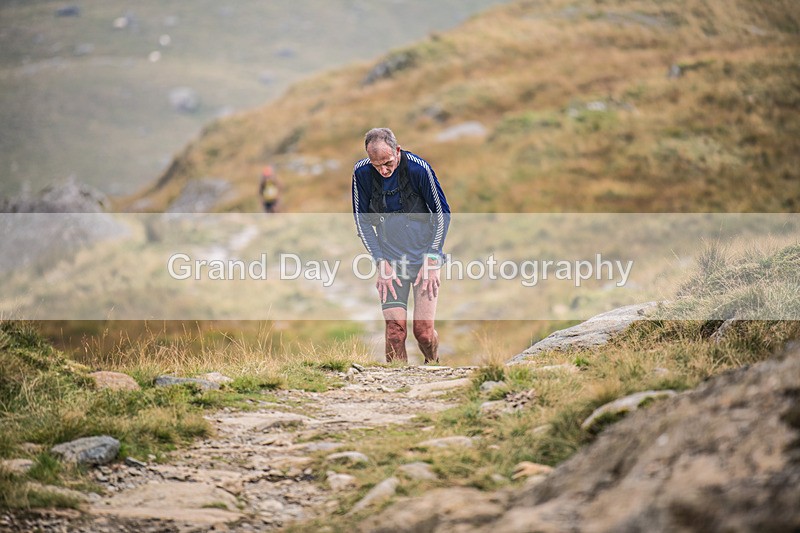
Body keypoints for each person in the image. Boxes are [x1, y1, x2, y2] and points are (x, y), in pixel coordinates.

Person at [352, 128, 451, 364]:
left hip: (423, 259)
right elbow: (362, 223)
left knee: (423, 333)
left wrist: (433, 258)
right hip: (391, 261)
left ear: (397, 150)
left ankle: (433, 365)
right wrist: (380, 262)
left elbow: (442, 215)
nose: (383, 171)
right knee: (395, 333)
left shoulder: (419, 169)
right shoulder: (362, 173)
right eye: (377, 165)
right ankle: (399, 386)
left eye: (387, 163)